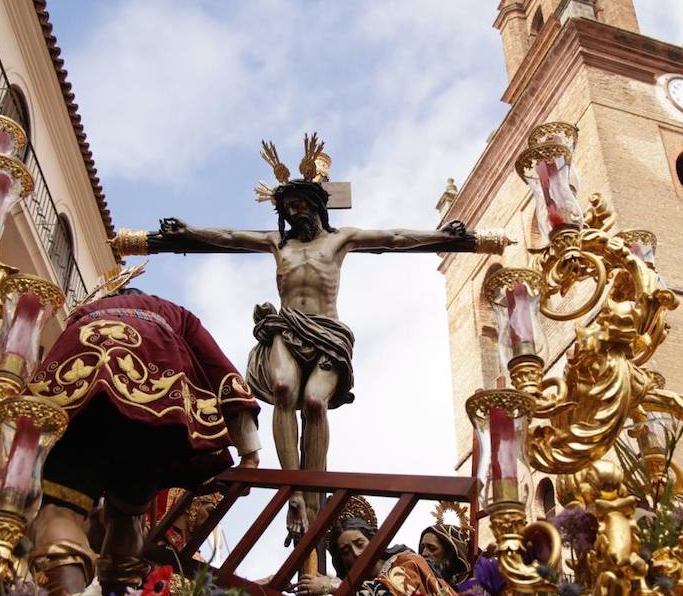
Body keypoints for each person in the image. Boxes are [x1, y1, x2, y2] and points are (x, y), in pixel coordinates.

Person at [143, 134, 502, 544]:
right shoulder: (277, 243)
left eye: (301, 206)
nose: (296, 213)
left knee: (314, 402)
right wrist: (188, 231)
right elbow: (227, 237)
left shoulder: (339, 239)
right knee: (282, 389)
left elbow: (394, 238)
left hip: (329, 333)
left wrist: (444, 237)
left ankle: (312, 492)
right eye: (289, 208)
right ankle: (293, 490)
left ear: (316, 206)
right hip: (287, 326)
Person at [27, 285, 261, 596]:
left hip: (86, 386)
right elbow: (222, 372)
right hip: (158, 409)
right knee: (127, 516)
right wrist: (249, 453)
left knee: (62, 510)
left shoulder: (87, 313)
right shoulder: (173, 312)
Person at [296, 497, 452, 596]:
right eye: (346, 551)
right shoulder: (355, 589)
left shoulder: (407, 562)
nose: (356, 553)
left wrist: (333, 587)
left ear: (373, 540)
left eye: (360, 543)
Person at [418, 504, 472, 587]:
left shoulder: (471, 586)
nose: (424, 554)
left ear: (449, 553)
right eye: (422, 548)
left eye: (432, 548)